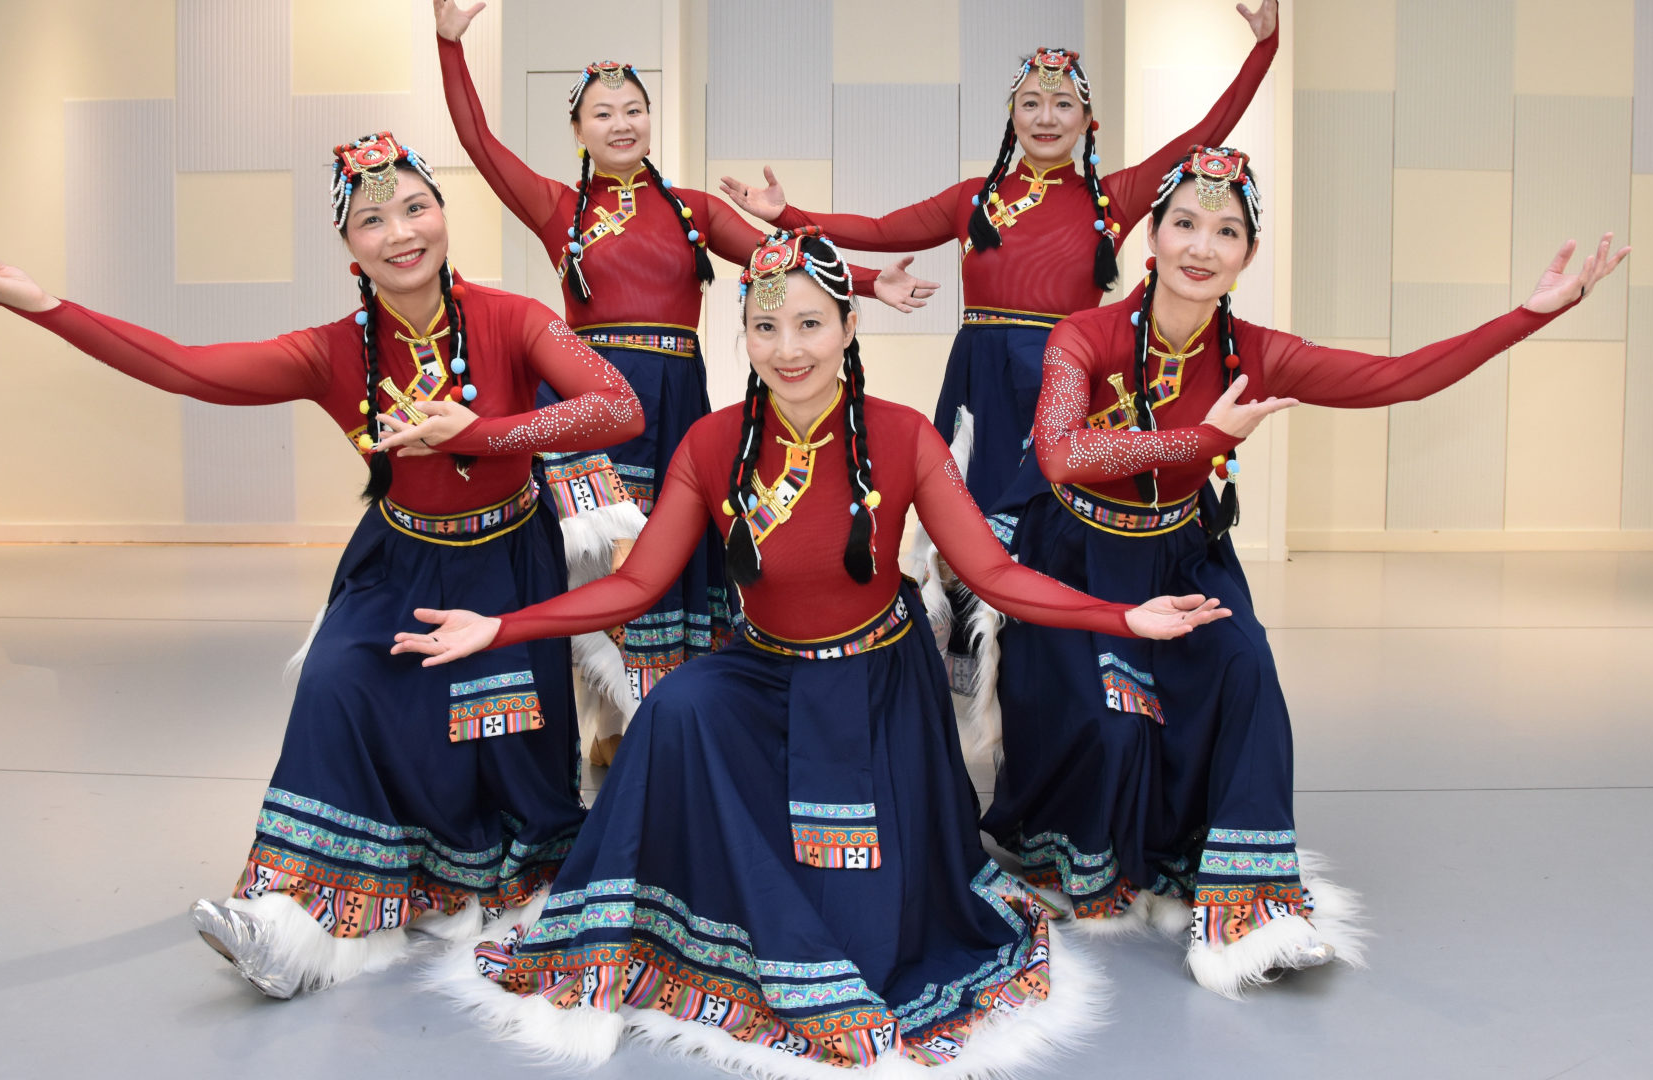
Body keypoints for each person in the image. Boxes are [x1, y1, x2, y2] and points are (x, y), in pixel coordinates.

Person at [403, 229, 1230, 1075]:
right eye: (765, 328)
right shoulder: (712, 444)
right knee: (673, 709)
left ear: (847, 327)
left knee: (863, 936)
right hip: (762, 668)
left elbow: (994, 574)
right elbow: (637, 584)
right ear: (743, 335)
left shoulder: (904, 437)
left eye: (809, 324)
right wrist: (500, 626)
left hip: (876, 682)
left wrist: (1121, 619)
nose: (788, 349)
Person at [0, 132, 644, 999]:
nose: (400, 232)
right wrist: (42, 305)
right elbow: (185, 369)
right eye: (372, 220)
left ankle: (487, 873)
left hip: (505, 561)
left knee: (503, 747)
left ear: (443, 214)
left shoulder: (512, 318)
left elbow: (619, 408)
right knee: (337, 683)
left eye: (415, 207)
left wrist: (485, 434)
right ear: (349, 248)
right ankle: (286, 920)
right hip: (397, 561)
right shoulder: (331, 351)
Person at [980, 144, 1630, 998]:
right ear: (1153, 235)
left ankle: (1248, 907)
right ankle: (1085, 849)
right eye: (1185, 223)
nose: (1202, 246)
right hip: (1078, 557)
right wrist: (1204, 438)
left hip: (1182, 551)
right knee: (1116, 723)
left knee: (1246, 672)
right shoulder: (1085, 335)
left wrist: (1529, 315)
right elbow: (1062, 455)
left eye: (1227, 231)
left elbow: (1398, 379)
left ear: (1249, 254)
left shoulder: (1257, 352)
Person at [434, 0, 940, 754]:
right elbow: (479, 144)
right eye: (602, 113)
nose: (621, 124)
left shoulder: (693, 211)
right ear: (578, 130)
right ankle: (591, 725)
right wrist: (450, 46)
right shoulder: (559, 209)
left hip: (673, 404)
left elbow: (783, 261)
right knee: (589, 563)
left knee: (668, 568)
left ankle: (653, 724)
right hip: (591, 406)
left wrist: (870, 283)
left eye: (633, 110)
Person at [720, 1, 1279, 513]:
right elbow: (881, 230)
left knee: (1056, 512)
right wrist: (785, 215)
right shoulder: (973, 201)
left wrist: (1264, 48)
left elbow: (1205, 133)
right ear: (1013, 115)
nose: (1045, 117)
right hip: (979, 375)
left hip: (1064, 374)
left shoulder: (1113, 200)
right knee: (970, 511)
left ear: (1087, 120)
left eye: (1063, 104)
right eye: (1031, 103)